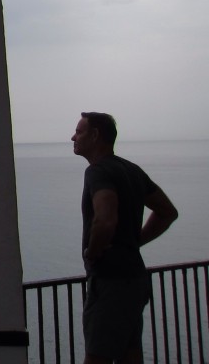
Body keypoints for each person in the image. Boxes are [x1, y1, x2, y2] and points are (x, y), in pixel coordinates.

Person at [71, 112, 179, 364]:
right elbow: (167, 212)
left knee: (97, 357)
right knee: (130, 356)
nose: (73, 137)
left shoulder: (98, 172)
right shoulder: (131, 170)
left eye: (79, 131)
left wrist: (93, 251)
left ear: (96, 135)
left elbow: (105, 218)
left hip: (111, 281)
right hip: (134, 280)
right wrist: (135, 241)